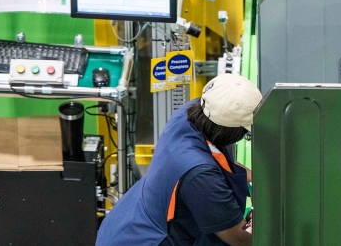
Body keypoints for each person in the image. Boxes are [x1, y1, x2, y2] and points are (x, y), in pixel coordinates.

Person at [96, 74, 262, 246]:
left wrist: (251, 176)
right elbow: (239, 238)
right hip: (143, 239)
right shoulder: (200, 175)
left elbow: (215, 158)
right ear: (230, 132)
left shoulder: (192, 113)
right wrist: (262, 220)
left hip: (127, 219)